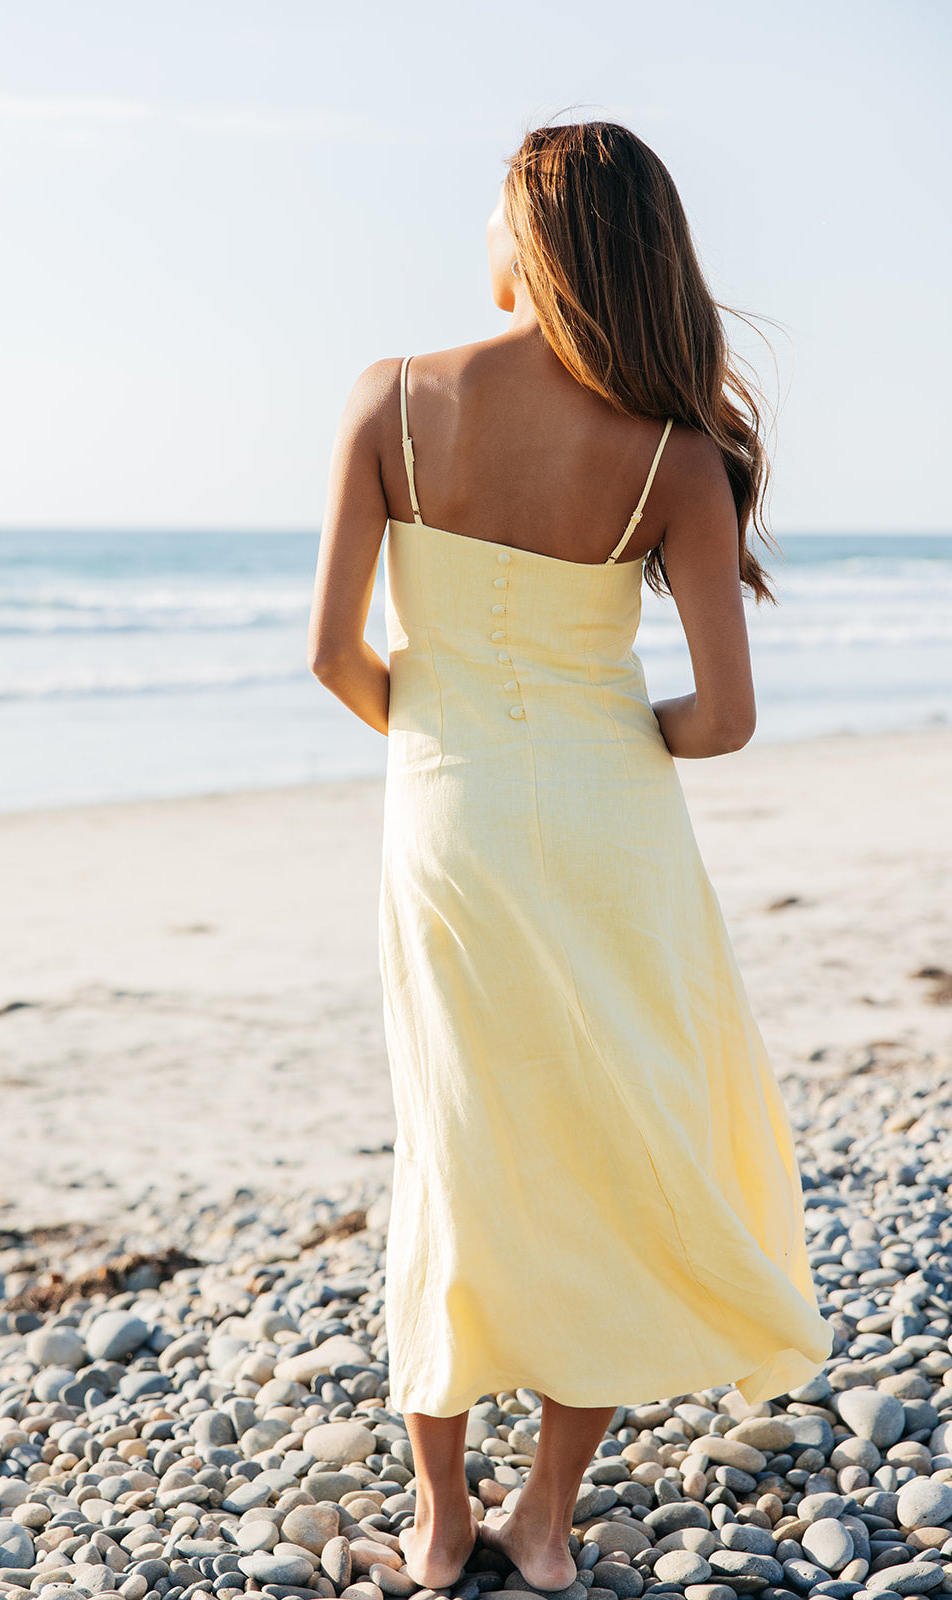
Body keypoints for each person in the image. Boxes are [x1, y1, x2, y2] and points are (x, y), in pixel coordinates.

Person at [308, 120, 832, 1595]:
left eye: (495, 208)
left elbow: (334, 654)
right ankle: (545, 1516)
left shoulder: (391, 399)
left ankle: (439, 1520)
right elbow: (723, 719)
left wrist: (449, 738)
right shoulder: (677, 452)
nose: (480, 231)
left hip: (448, 819)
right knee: (606, 1138)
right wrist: (599, 737)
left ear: (538, 238)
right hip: (612, 826)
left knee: (454, 1141)